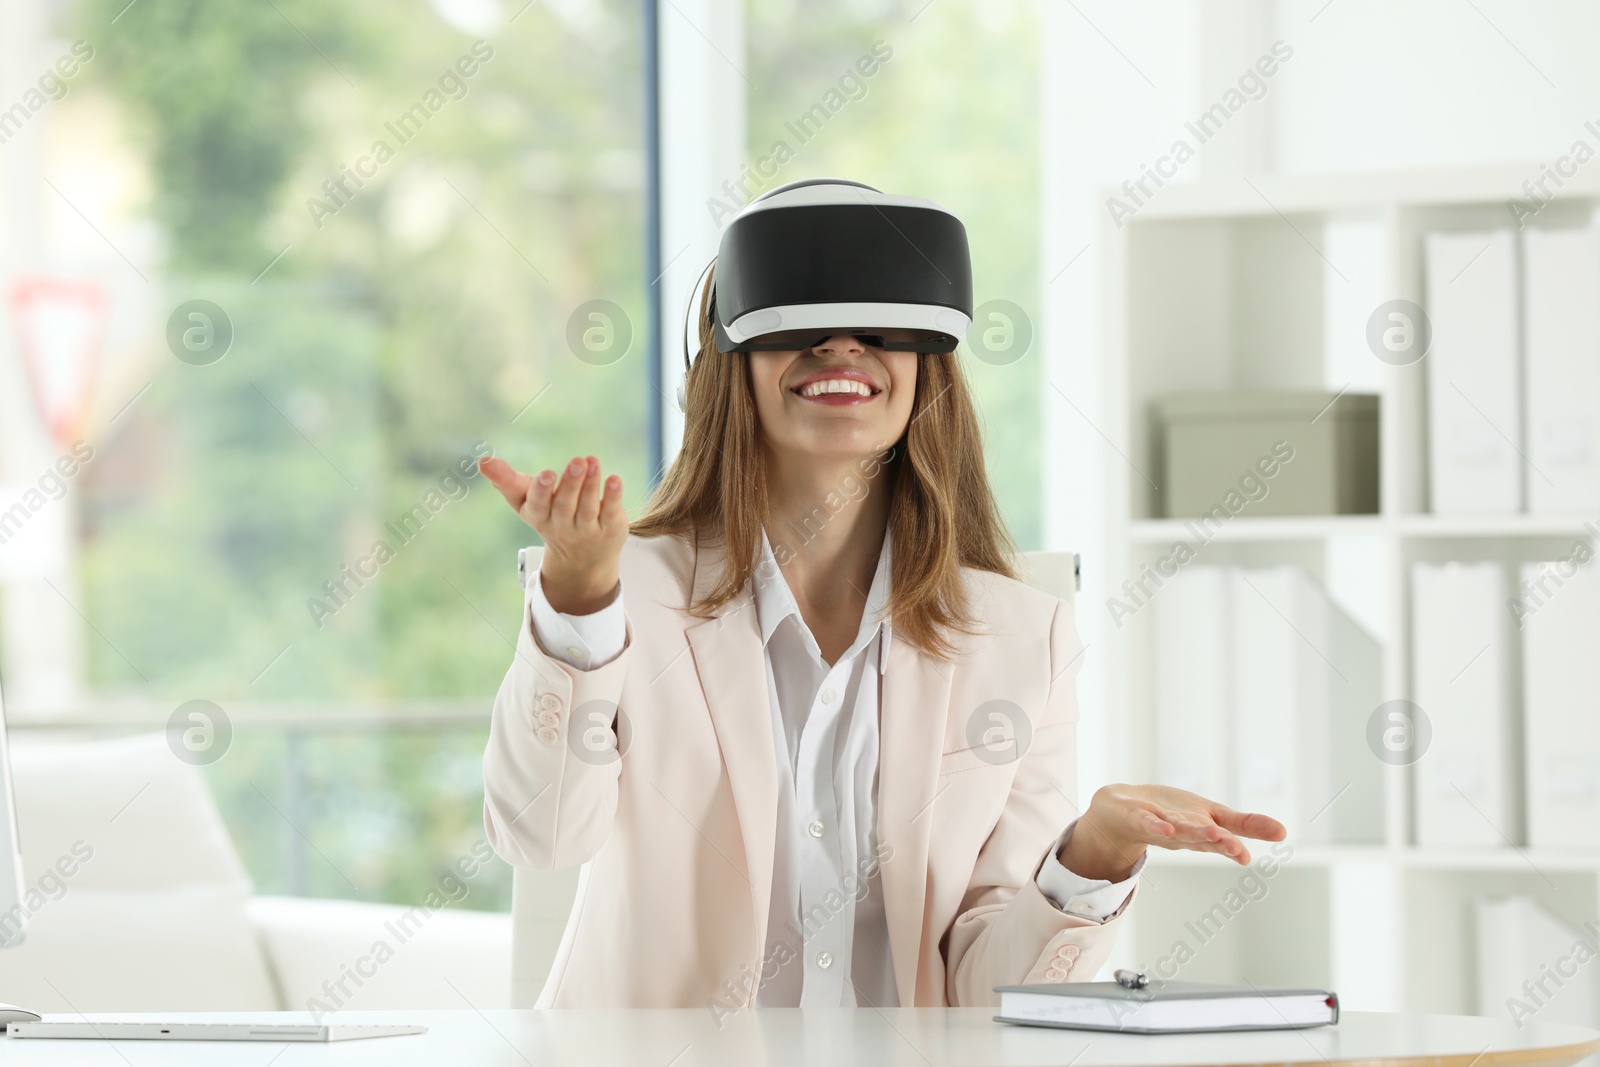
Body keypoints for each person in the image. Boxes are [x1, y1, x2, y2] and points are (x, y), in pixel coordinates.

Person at [478, 179, 1285, 1012]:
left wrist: (1095, 855)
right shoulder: (620, 597)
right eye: (799, 323)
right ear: (730, 357)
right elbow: (541, 837)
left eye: (880, 325)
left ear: (927, 363)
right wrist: (574, 601)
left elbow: (985, 994)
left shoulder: (1022, 635)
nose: (840, 346)